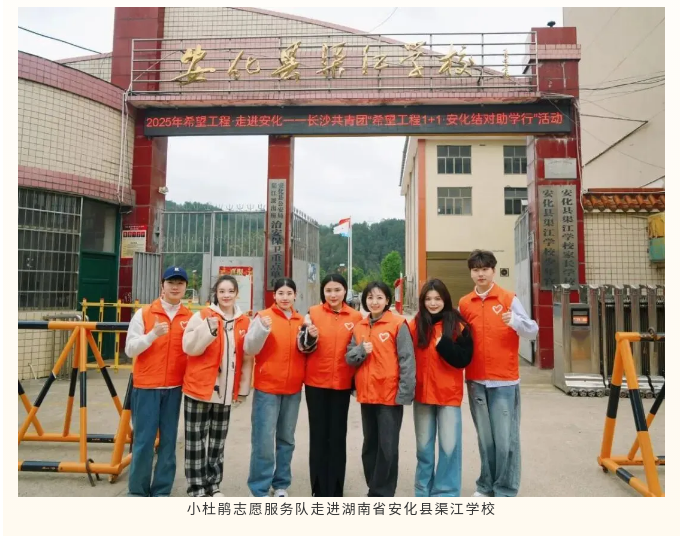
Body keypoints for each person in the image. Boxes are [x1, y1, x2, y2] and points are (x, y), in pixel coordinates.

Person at [458, 250, 539, 497]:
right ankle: (485, 485)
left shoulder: (508, 299)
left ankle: (505, 489)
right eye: (476, 270)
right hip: (475, 380)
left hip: (504, 381)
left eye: (485, 269)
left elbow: (532, 331)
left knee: (506, 440)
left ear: (493, 271)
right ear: (471, 273)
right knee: (485, 439)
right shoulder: (465, 303)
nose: (480, 274)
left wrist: (515, 321)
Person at [181, 275, 254, 497]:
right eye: (222, 291)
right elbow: (189, 347)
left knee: (217, 442)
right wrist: (208, 330)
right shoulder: (202, 316)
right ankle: (197, 488)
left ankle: (213, 485)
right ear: (216, 293)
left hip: (225, 392)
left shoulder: (244, 322)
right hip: (199, 389)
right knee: (195, 442)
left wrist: (242, 390)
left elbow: (247, 358)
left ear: (237, 293)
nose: (226, 295)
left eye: (230, 291)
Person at [243, 277, 314, 497]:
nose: (285, 297)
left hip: (293, 389)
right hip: (267, 388)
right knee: (263, 440)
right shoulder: (263, 317)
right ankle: (259, 488)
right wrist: (262, 330)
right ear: (274, 295)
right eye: (280, 293)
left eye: (289, 293)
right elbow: (249, 348)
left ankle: (281, 484)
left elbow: (307, 349)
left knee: (287, 439)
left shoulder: (302, 320)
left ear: (295, 295)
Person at [125, 266, 192, 497]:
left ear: (185, 287)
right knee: (144, 442)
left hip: (174, 388)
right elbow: (130, 349)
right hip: (147, 387)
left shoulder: (189, 318)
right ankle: (137, 492)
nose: (175, 287)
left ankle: (162, 491)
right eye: (171, 282)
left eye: (180, 283)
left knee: (169, 442)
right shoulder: (144, 314)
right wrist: (152, 335)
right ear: (162, 285)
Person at [345, 280, 415, 497]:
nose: (374, 302)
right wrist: (360, 350)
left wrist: (405, 392)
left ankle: (381, 493)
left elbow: (407, 359)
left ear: (387, 301)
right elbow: (349, 358)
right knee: (370, 445)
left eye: (379, 297)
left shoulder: (398, 324)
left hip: (389, 395)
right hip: (367, 395)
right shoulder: (360, 326)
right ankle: (373, 485)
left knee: (387, 446)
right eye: (370, 297)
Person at [299, 273, 363, 497]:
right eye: (328, 290)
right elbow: (302, 345)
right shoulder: (313, 313)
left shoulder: (355, 317)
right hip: (315, 383)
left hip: (342, 384)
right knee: (318, 436)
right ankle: (318, 489)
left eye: (337, 290)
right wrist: (309, 335)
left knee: (337, 436)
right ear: (323, 292)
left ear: (345, 291)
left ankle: (335, 489)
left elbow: (358, 349)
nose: (333, 294)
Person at [408, 279, 473, 497]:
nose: (433, 303)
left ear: (445, 299)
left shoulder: (458, 325)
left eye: (437, 298)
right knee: (423, 447)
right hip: (422, 395)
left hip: (448, 396)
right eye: (428, 299)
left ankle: (446, 492)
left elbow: (464, 359)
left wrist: (444, 345)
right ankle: (422, 489)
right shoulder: (416, 325)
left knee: (449, 447)